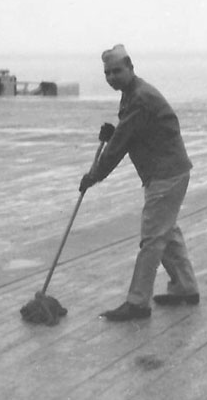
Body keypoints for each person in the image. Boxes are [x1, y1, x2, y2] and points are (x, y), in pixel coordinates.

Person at [80, 44, 199, 321]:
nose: (111, 77)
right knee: (165, 234)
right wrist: (116, 131)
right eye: (107, 73)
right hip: (169, 171)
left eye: (117, 71)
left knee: (152, 239)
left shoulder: (139, 98)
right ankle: (185, 287)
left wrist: (94, 175)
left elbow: (120, 145)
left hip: (166, 174)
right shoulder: (133, 93)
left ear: (131, 67)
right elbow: (130, 132)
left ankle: (137, 303)